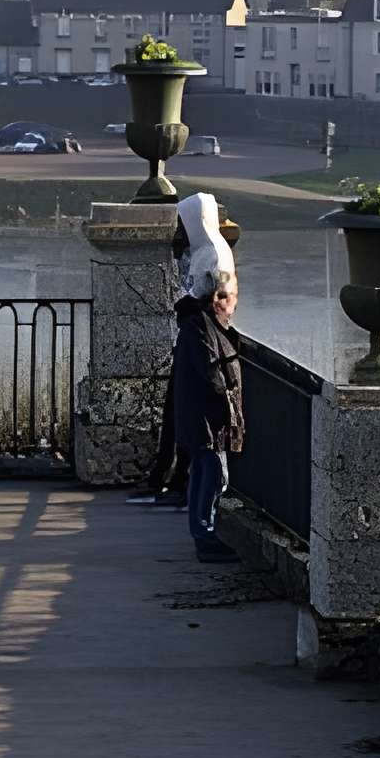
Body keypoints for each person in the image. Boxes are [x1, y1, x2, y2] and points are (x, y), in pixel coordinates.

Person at [167, 193, 246, 563]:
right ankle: (205, 536)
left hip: (200, 409)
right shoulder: (202, 324)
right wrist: (225, 400)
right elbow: (211, 367)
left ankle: (205, 533)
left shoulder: (195, 321)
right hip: (206, 412)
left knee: (208, 469)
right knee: (211, 471)